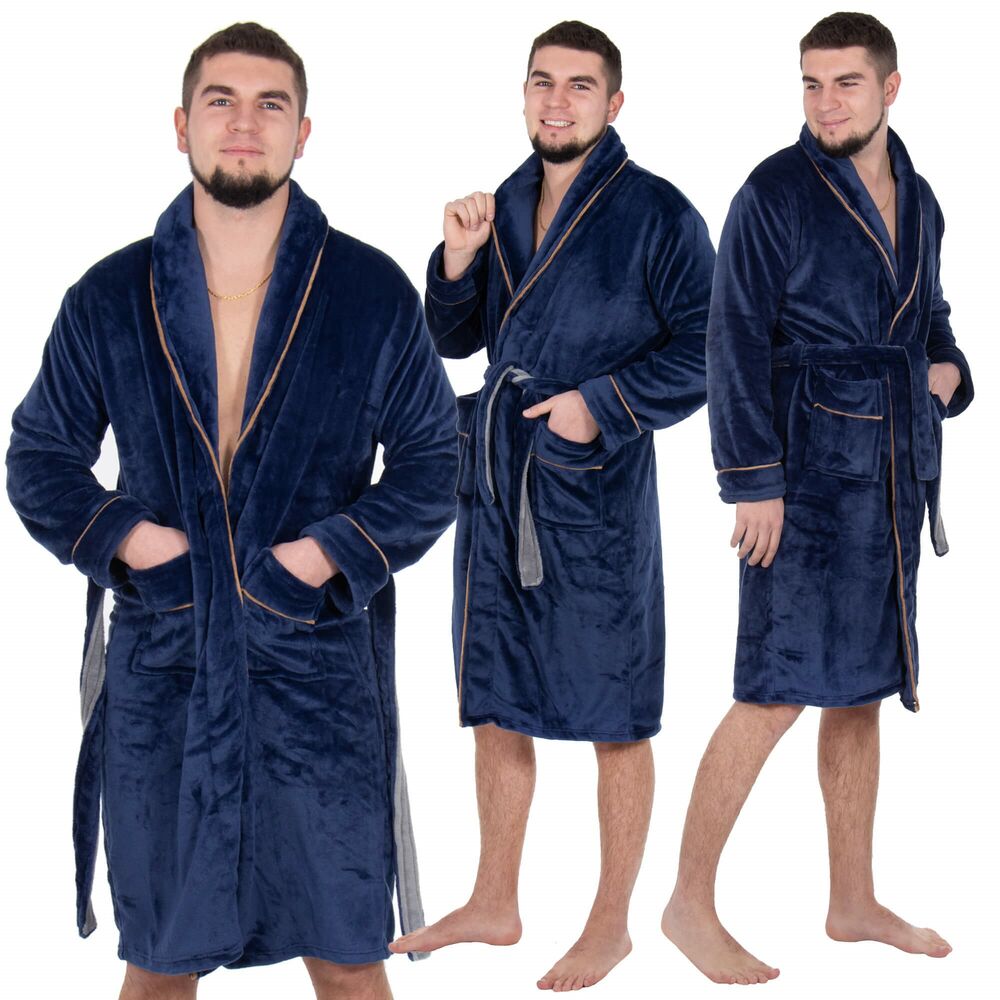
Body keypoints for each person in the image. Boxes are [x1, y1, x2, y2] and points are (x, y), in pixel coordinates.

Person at [6, 22, 456, 1000]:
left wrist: (325, 555)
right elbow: (39, 458)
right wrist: (135, 543)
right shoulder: (112, 296)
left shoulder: (368, 293)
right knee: (159, 963)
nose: (244, 124)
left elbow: (434, 462)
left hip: (315, 673)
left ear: (303, 132)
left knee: (349, 957)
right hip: (166, 674)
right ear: (182, 126)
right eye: (221, 101)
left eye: (269, 105)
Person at [389, 20, 715, 991]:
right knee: (495, 692)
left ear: (614, 103)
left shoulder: (658, 214)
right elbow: (452, 339)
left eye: (579, 86)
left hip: (594, 488)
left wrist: (600, 405)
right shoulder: (504, 204)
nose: (557, 101)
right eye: (543, 82)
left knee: (617, 710)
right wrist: (456, 261)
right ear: (523, 94)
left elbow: (707, 349)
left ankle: (611, 923)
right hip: (500, 473)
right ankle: (495, 898)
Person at [661, 11, 973, 986]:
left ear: (890, 87)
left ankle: (852, 899)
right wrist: (753, 481)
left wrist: (947, 372)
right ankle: (686, 902)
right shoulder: (773, 193)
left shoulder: (918, 196)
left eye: (845, 83)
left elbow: (928, 315)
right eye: (810, 83)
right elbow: (730, 336)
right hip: (803, 477)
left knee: (860, 689)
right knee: (774, 689)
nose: (825, 103)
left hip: (888, 478)